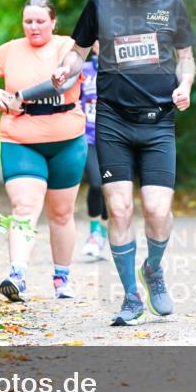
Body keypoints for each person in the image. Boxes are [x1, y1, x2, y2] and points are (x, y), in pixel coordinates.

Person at [52, 0, 196, 326]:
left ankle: (153, 269)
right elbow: (78, 52)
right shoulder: (99, 4)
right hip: (113, 121)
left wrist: (184, 85)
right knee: (119, 209)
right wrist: (66, 71)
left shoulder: (171, 3)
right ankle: (131, 296)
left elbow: (186, 57)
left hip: (158, 122)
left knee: (157, 210)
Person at [0, 0, 87, 301]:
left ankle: (62, 278)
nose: (33, 27)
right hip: (20, 139)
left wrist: (20, 94)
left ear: (53, 21)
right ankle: (17, 275)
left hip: (67, 139)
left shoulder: (68, 46)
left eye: (40, 21)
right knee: (24, 207)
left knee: (61, 213)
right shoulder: (10, 49)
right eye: (28, 21)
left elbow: (62, 83)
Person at [79, 41, 109, 259]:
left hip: (115, 139)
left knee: (111, 187)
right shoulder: (84, 70)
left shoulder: (121, 69)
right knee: (97, 183)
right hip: (88, 136)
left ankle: (104, 235)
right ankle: (93, 233)